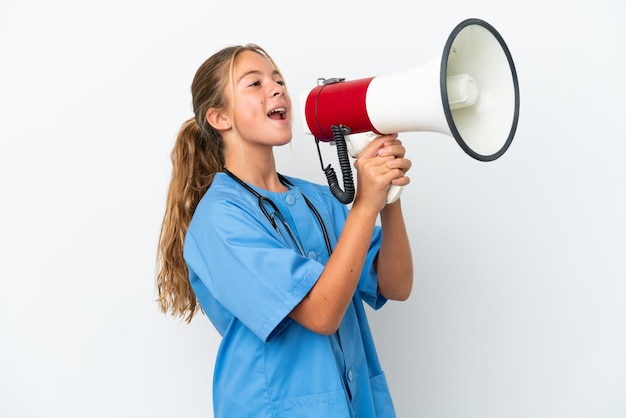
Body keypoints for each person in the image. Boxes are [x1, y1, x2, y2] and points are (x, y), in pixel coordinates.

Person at [156, 43, 413, 418]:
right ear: (219, 118)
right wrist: (363, 205)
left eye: (278, 79)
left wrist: (389, 197)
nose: (276, 89)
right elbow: (321, 315)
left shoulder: (319, 201)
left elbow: (395, 285)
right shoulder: (219, 219)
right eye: (254, 83)